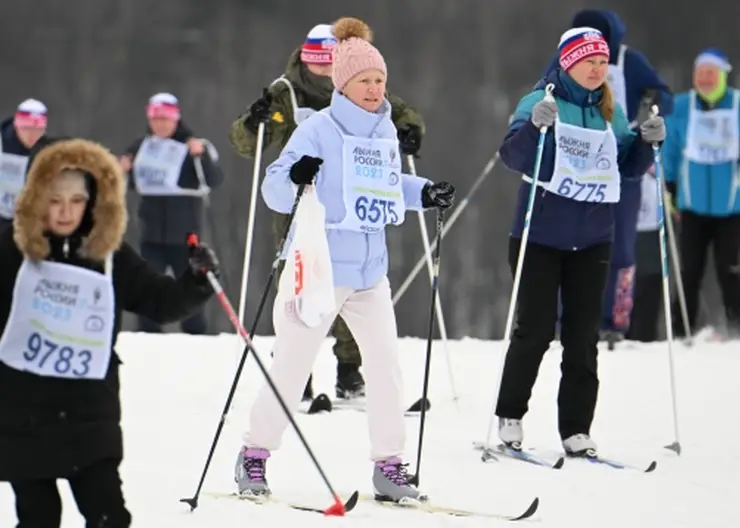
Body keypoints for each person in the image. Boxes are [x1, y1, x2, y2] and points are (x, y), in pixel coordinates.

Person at [233, 17, 454, 501]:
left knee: (386, 368)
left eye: (380, 81)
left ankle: (389, 466)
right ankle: (254, 455)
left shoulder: (384, 133)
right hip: (319, 267)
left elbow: (388, 187)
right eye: (365, 81)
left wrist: (425, 192)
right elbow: (273, 188)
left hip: (370, 273)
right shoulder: (317, 130)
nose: (375, 90)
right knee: (292, 367)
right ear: (343, 84)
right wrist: (297, 175)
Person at [0, 137, 219, 527]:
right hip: (23, 415)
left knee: (109, 517)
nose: (66, 211)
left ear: (93, 200)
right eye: (54, 200)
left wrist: (195, 280)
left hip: (89, 414)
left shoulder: (108, 255)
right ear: (36, 198)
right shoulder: (11, 252)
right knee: (38, 518)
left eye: (76, 200)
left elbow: (160, 301)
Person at [229, 22, 426, 402]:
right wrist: (253, 125)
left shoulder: (359, 78)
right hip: (299, 203)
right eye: (316, 62)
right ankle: (294, 370)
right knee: (303, 284)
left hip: (355, 203)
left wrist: (410, 131)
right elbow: (248, 145)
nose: (322, 71)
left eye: (328, 62)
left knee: (353, 284)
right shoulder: (285, 92)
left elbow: (398, 111)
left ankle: (349, 371)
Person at [495, 27, 665, 456]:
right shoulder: (541, 101)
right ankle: (510, 414)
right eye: (588, 61)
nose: (596, 69)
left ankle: (576, 429)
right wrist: (535, 128)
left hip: (592, 240)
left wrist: (646, 142)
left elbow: (626, 167)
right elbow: (513, 155)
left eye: (602, 62)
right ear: (567, 62)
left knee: (583, 336)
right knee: (534, 332)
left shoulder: (610, 109)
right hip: (539, 237)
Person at [541, 9, 674, 346]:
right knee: (569, 240)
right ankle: (563, 319)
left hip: (620, 154)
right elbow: (544, 88)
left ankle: (615, 321)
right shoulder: (566, 57)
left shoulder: (629, 60)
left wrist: (656, 100)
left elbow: (664, 93)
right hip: (576, 158)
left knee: (621, 245)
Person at [120, 92, 224, 335]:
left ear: (176, 120)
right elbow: (136, 183)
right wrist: (123, 169)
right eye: (156, 120)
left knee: (190, 285)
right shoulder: (142, 147)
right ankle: (147, 334)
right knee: (147, 285)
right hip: (151, 233)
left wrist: (201, 156)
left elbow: (213, 179)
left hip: (185, 235)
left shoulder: (189, 147)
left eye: (166, 120)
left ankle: (196, 335)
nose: (161, 125)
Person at [663, 48, 740, 339]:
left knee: (729, 270)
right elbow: (670, 150)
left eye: (711, 73)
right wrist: (670, 185)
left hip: (731, 206)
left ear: (722, 75)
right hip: (692, 205)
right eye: (700, 74)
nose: (705, 79)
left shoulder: (737, 105)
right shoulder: (683, 107)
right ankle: (682, 331)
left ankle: (735, 329)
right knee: (688, 271)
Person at [625, 163, 663, 342]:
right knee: (624, 280)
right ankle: (622, 331)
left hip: (651, 226)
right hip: (623, 223)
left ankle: (646, 335)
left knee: (650, 278)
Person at [0, 99, 49, 233]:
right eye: (27, 129)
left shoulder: (46, 151)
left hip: (27, 222)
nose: (32, 135)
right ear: (17, 125)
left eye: (38, 130)